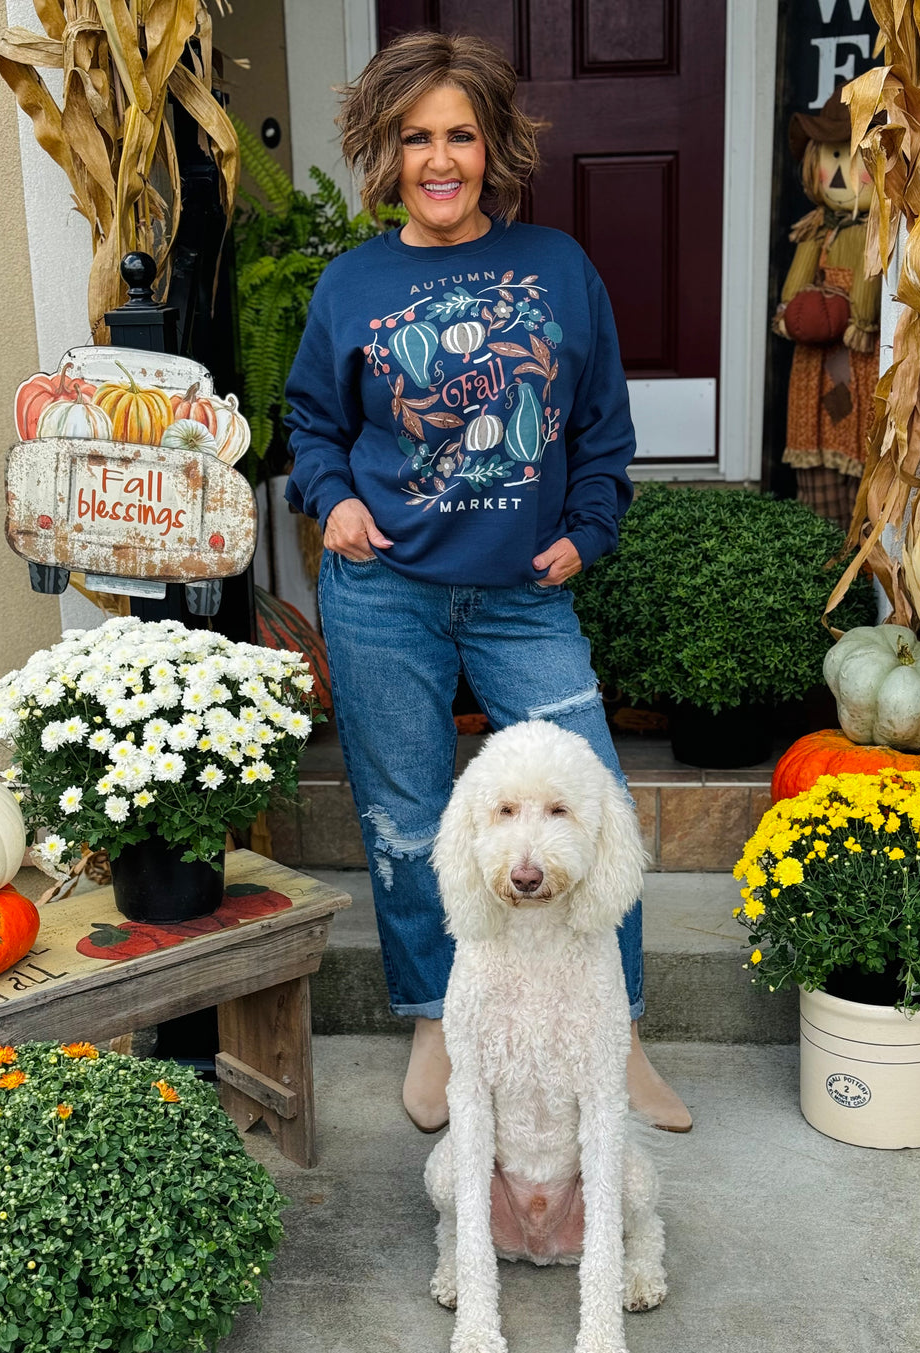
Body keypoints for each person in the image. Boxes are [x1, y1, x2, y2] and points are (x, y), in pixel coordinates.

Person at [284, 30, 691, 1135]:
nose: (440, 158)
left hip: (523, 598)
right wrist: (339, 502)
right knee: (410, 816)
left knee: (594, 805)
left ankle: (621, 1034)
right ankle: (436, 1022)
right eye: (416, 138)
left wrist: (588, 528)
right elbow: (313, 425)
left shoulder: (560, 268)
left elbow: (603, 429)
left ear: (494, 145)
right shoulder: (354, 284)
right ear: (386, 152)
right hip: (382, 591)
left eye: (459, 134)